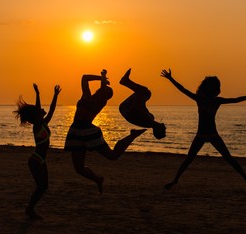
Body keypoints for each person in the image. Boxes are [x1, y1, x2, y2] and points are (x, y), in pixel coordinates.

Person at [160, 69, 246, 189]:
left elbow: (235, 100)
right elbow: (183, 90)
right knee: (189, 159)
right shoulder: (199, 99)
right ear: (207, 88)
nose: (212, 89)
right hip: (200, 135)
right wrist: (171, 79)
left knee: (228, 158)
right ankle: (175, 181)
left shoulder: (216, 101)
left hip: (213, 134)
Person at [64, 69, 146, 193]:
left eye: (106, 94)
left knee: (112, 156)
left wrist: (103, 81)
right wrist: (101, 77)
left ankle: (132, 135)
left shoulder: (100, 102)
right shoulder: (86, 95)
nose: (103, 93)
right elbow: (84, 77)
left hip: (88, 131)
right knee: (79, 168)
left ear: (106, 98)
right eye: (103, 91)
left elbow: (102, 90)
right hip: (75, 131)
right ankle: (97, 179)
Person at [13, 83, 61, 220]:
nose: (43, 110)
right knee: (41, 187)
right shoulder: (38, 126)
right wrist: (38, 94)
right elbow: (38, 109)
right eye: (40, 110)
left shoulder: (43, 123)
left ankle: (30, 209)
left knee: (44, 186)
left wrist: (55, 95)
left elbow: (52, 109)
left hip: (41, 160)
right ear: (36, 115)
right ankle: (29, 209)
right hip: (35, 160)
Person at [119, 68, 166, 139]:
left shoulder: (148, 121)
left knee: (145, 92)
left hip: (125, 108)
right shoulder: (151, 119)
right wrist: (141, 98)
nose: (165, 128)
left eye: (164, 130)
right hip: (127, 108)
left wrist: (139, 97)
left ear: (159, 129)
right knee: (145, 93)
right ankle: (126, 81)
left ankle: (125, 81)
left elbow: (136, 108)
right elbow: (142, 107)